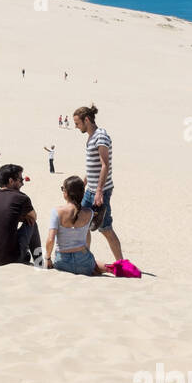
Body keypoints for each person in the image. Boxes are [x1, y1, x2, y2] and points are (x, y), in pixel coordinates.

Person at [73, 104, 124, 264]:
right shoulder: (91, 136)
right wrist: (84, 183)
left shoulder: (101, 136)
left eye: (77, 123)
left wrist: (100, 191)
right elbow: (92, 165)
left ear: (86, 120)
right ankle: (85, 259)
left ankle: (121, 264)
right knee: (82, 223)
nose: (76, 127)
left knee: (105, 228)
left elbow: (104, 165)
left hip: (100, 192)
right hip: (90, 190)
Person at [0, 163, 41, 267]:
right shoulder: (21, 198)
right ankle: (39, 263)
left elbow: (0, 214)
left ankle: (25, 255)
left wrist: (14, 216)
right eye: (21, 180)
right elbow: (33, 217)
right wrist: (21, 217)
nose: (22, 184)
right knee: (33, 224)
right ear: (11, 181)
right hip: (10, 258)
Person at [44, 176, 100, 276]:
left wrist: (48, 259)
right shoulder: (89, 213)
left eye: (63, 189)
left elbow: (50, 240)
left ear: (66, 193)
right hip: (84, 261)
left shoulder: (57, 212)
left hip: (62, 261)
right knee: (97, 265)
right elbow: (87, 236)